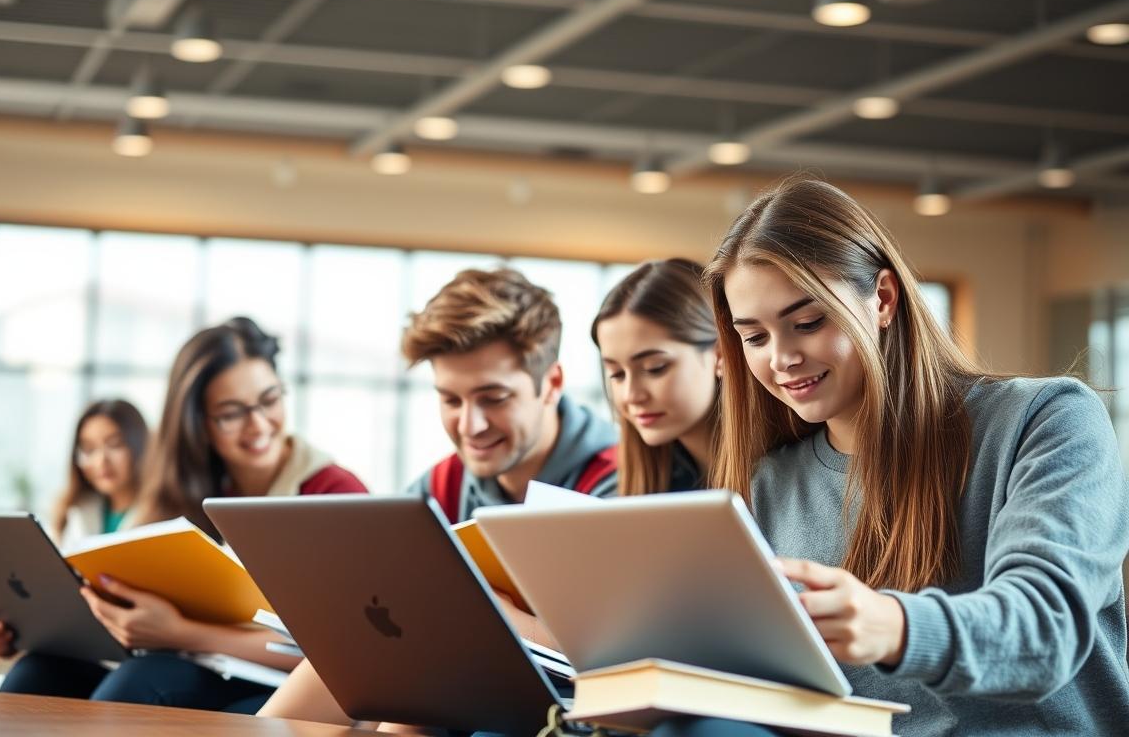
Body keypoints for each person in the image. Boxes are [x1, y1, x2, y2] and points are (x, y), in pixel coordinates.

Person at [653, 177, 1128, 737]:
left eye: (807, 322)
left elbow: (1043, 631)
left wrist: (896, 627)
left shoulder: (1045, 419)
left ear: (881, 299)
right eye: (754, 338)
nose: (782, 358)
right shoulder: (771, 483)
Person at [259, 267, 621, 727]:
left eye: (494, 398)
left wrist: (485, 614)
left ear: (550, 384)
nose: (470, 426)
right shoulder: (444, 484)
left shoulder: (617, 483)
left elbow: (612, 655)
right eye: (451, 400)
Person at [0, 317, 367, 714]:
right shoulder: (183, 492)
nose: (258, 424)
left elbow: (355, 657)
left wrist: (184, 633)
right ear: (199, 424)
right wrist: (25, 631)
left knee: (140, 686)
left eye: (269, 400)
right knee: (38, 674)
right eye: (231, 413)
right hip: (185, 663)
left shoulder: (333, 494)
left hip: (279, 684)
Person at [591, 258, 719, 493]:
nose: (631, 395)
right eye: (617, 374)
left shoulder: (791, 473)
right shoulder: (631, 481)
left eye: (655, 368)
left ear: (720, 356)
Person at [49, 398, 148, 550]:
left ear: (139, 445)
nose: (101, 461)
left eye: (115, 444)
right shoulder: (75, 513)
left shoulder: (160, 513)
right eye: (89, 449)